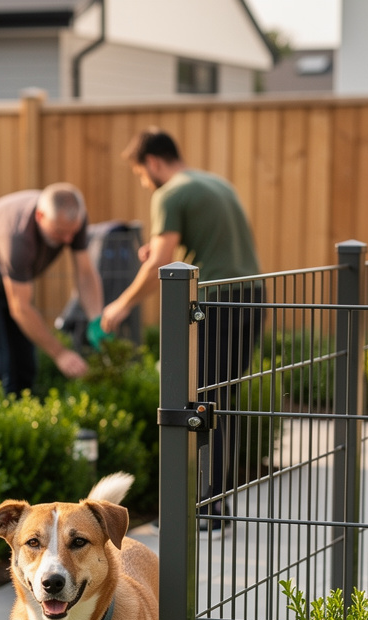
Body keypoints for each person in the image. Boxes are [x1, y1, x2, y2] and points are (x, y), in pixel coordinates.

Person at [101, 129, 263, 526]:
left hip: (213, 304)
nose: (144, 182)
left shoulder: (170, 193)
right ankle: (214, 504)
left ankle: (200, 509)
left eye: (141, 174)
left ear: (153, 162)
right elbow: (200, 248)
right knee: (222, 397)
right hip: (252, 296)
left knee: (192, 402)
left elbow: (162, 260)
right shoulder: (214, 183)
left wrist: (120, 306)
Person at [0, 183, 104, 403]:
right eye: (60, 232)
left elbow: (86, 275)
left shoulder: (71, 219)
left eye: (73, 232)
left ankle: (18, 424)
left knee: (25, 364)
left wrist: (96, 319)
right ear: (41, 216)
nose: (69, 239)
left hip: (11, 280)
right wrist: (60, 353)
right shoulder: (18, 237)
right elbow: (20, 307)